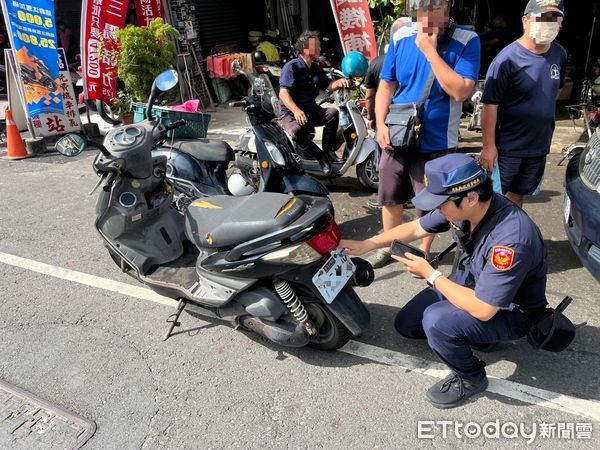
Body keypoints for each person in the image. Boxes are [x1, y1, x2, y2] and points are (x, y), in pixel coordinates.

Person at [340, 154, 548, 408]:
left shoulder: (510, 239)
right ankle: (479, 337)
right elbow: (418, 227)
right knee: (407, 324)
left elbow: (484, 308)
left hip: (508, 309)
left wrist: (431, 275)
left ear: (470, 198)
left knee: (437, 322)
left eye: (440, 203)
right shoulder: (462, 206)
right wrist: (367, 244)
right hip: (471, 285)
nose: (435, 209)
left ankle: (471, 377)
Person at [369, 0, 480, 269]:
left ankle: (422, 252)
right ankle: (388, 247)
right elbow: (386, 86)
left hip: (438, 141)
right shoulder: (402, 36)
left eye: (434, 12)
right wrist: (381, 125)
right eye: (420, 13)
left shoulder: (467, 40)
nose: (426, 19)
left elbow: (461, 91)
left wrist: (430, 51)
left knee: (430, 204)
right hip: (397, 133)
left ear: (447, 10)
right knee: (390, 196)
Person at [480, 0, 567, 209]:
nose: (549, 24)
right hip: (508, 146)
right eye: (543, 18)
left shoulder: (559, 54)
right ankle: (487, 240)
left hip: (538, 145)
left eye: (555, 19)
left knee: (518, 197)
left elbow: (556, 90)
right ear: (526, 21)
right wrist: (488, 146)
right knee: (492, 200)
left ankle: (511, 239)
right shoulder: (507, 59)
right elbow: (490, 105)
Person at [278, 30, 350, 175]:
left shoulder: (316, 68)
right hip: (290, 113)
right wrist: (296, 111)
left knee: (332, 113)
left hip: (310, 110)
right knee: (296, 131)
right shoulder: (291, 67)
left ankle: (328, 151)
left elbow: (328, 85)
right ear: (306, 48)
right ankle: (320, 157)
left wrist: (341, 82)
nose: (320, 48)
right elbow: (283, 93)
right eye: (316, 45)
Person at [363, 17, 412, 210]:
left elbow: (370, 96)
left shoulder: (377, 63)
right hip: (409, 118)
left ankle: (386, 196)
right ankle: (407, 195)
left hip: (388, 119)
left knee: (384, 160)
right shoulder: (416, 56)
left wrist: (373, 119)